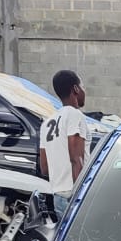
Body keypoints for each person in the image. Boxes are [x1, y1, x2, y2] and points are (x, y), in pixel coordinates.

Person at [39, 69, 91, 215]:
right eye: (83, 87)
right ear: (75, 89)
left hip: (58, 195)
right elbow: (76, 159)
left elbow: (45, 168)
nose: (84, 91)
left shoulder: (47, 123)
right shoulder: (75, 115)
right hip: (74, 196)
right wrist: (79, 196)